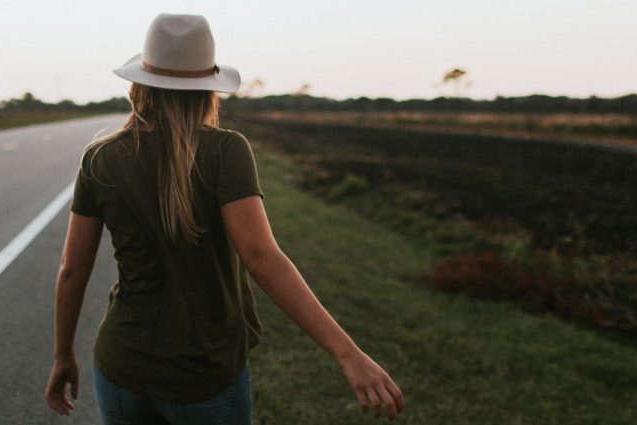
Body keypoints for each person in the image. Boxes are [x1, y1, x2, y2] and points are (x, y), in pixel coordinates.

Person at [44, 13, 404, 424]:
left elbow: (72, 269)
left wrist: (62, 355)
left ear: (140, 85)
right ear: (206, 90)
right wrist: (348, 354)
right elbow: (261, 258)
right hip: (205, 374)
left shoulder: (101, 157)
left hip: (122, 366)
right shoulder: (225, 151)